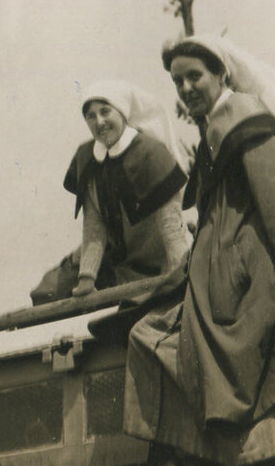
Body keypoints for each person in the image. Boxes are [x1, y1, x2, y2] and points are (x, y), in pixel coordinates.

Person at [115, 35, 275, 466]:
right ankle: (168, 462)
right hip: (220, 268)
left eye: (195, 77)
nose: (187, 88)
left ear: (222, 76)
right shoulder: (216, 123)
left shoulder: (240, 118)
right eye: (178, 81)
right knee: (149, 339)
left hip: (244, 274)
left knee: (195, 360)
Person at [31, 80, 190, 306]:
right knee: (46, 292)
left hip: (156, 261)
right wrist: (86, 278)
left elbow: (170, 225)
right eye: (91, 116)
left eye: (105, 112)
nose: (99, 122)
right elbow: (95, 225)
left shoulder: (150, 152)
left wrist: (177, 273)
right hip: (116, 260)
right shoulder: (87, 158)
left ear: (122, 113)